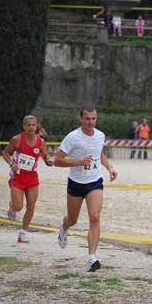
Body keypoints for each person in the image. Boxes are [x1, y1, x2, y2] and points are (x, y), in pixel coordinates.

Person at [54, 107, 118, 272]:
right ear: (80, 119)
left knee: (95, 217)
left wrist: (109, 167)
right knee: (72, 219)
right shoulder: (72, 137)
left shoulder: (100, 135)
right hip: (76, 182)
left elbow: (99, 153)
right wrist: (79, 162)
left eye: (93, 119)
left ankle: (92, 258)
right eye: (87, 119)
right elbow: (57, 161)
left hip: (95, 181)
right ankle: (64, 227)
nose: (91, 122)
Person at [2, 115, 53, 243]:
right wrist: (11, 164)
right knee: (19, 206)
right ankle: (12, 207)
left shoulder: (40, 142)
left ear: (37, 126)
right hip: (18, 177)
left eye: (33, 125)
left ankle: (23, 233)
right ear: (24, 126)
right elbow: (5, 153)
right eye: (28, 125)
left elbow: (45, 156)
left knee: (31, 205)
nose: (31, 127)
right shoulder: (17, 139)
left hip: (32, 177)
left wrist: (48, 161)